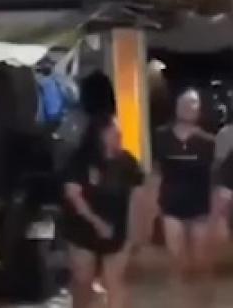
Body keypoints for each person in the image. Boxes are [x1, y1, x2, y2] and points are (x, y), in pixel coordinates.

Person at [62, 115, 147, 308]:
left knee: (114, 281)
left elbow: (139, 197)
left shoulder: (127, 162)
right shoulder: (79, 160)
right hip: (82, 229)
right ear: (100, 134)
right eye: (114, 131)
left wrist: (136, 234)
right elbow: (74, 196)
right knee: (83, 281)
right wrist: (97, 223)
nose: (119, 134)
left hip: (117, 230)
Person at [152, 89, 215, 281]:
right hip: (171, 206)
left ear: (199, 110)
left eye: (194, 103)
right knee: (177, 262)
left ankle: (203, 296)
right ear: (177, 107)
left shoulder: (207, 141)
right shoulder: (161, 136)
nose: (189, 107)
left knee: (201, 262)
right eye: (185, 103)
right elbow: (156, 172)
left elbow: (215, 177)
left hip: (200, 209)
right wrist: (152, 206)